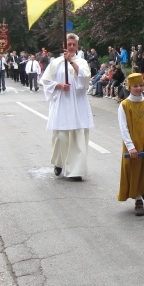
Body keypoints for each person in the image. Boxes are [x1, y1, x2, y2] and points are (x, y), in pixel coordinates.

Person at [40, 33, 94, 180]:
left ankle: (76, 171)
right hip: (62, 102)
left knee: (77, 137)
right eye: (68, 44)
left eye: (73, 45)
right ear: (64, 45)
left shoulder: (82, 62)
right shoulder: (56, 62)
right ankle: (59, 162)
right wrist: (58, 85)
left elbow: (84, 78)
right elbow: (45, 81)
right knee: (61, 137)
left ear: (77, 46)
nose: (71, 47)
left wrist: (71, 62)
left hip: (77, 103)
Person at [117, 73, 144, 216]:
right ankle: (138, 199)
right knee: (135, 172)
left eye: (141, 85)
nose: (138, 88)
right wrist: (130, 147)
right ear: (129, 87)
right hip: (133, 144)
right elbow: (124, 128)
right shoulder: (124, 105)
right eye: (135, 86)